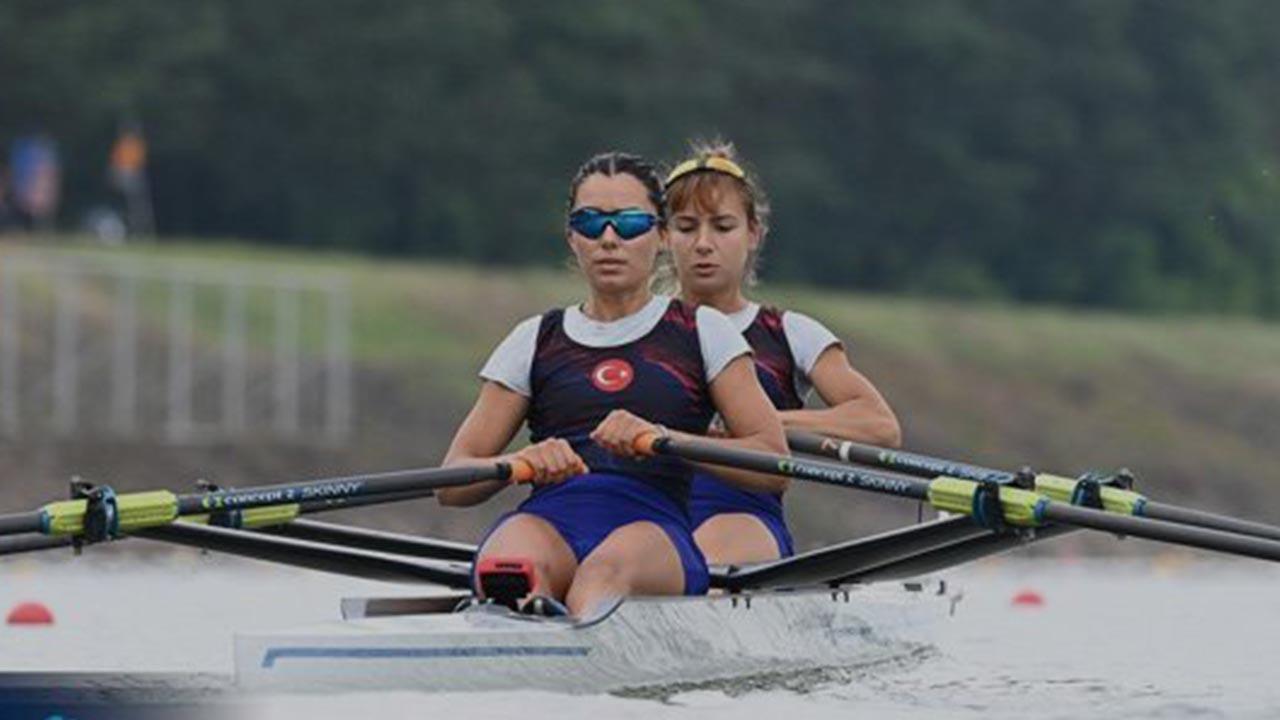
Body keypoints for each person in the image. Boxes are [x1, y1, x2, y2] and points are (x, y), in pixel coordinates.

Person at [438, 151, 787, 617]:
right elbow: (452, 483)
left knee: (603, 574)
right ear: (571, 237)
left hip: (654, 531)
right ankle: (522, 622)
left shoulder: (702, 330)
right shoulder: (536, 338)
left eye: (628, 223)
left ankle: (574, 633)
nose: (608, 238)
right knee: (508, 564)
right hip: (550, 520)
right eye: (590, 222)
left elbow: (774, 464)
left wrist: (666, 441)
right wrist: (517, 460)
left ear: (661, 235)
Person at [664, 141, 901, 566]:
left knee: (701, 553)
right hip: (644, 516)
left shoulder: (790, 333)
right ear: (664, 237)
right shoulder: (637, 330)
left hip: (741, 520)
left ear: (753, 234)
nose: (703, 243)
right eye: (686, 227)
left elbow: (879, 426)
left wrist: (759, 422)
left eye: (722, 226)